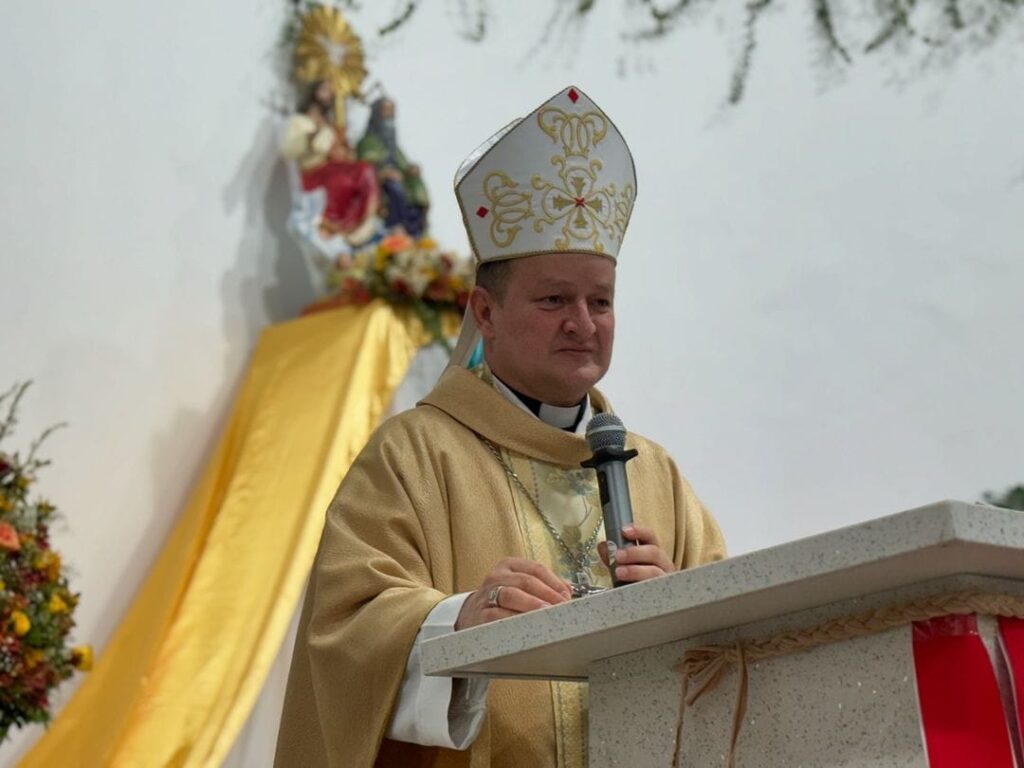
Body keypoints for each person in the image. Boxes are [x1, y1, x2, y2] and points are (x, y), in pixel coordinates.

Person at [275, 85, 726, 768]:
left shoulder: (654, 472)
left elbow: (737, 649)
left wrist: (682, 610)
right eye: (554, 299)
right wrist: (456, 622)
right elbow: (344, 628)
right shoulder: (415, 454)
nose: (583, 323)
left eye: (601, 301)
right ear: (485, 313)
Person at [281, 80, 380, 242]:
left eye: (330, 91)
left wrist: (344, 151)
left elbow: (337, 148)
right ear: (314, 92)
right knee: (341, 182)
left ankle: (359, 223)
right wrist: (311, 136)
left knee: (365, 169)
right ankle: (334, 224)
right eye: (324, 89)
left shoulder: (329, 123)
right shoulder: (299, 121)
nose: (328, 94)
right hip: (313, 172)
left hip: (333, 166)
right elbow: (288, 150)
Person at [357, 96, 430, 237]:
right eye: (386, 110)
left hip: (398, 176)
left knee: (415, 186)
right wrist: (385, 172)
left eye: (391, 110)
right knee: (395, 188)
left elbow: (402, 162)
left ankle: (416, 229)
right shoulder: (368, 141)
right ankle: (395, 226)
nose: (389, 114)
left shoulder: (393, 144)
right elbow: (366, 162)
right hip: (381, 180)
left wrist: (412, 169)